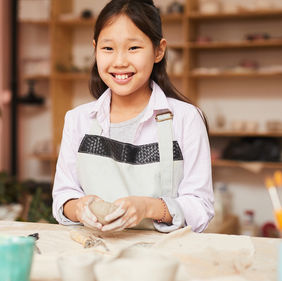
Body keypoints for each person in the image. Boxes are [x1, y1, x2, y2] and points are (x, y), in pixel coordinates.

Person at [52, 0, 214, 233]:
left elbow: (201, 207)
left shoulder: (186, 118)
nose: (119, 61)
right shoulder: (78, 120)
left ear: (159, 50)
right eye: (108, 48)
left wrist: (148, 207)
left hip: (162, 260)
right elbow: (64, 196)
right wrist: (79, 208)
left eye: (133, 48)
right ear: (95, 49)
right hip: (95, 253)